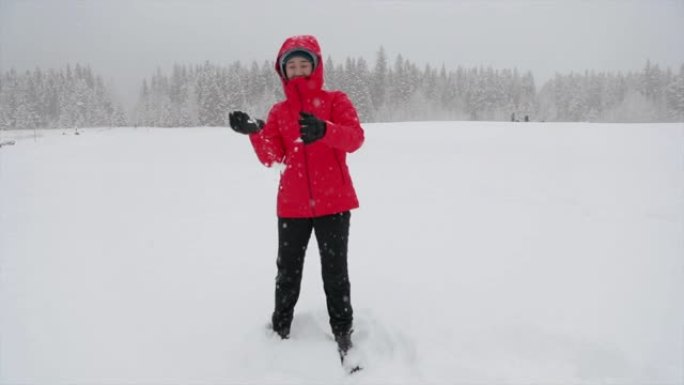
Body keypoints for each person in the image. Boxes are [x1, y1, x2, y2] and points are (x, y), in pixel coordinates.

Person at [228, 35, 365, 360]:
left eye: (305, 63)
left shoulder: (336, 100)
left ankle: (343, 331)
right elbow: (272, 156)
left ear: (316, 66)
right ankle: (280, 328)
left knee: (335, 270)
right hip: (292, 206)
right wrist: (255, 133)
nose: (299, 69)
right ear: (283, 71)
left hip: (334, 203)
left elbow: (355, 139)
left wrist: (326, 130)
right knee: (287, 270)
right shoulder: (279, 111)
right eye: (292, 65)